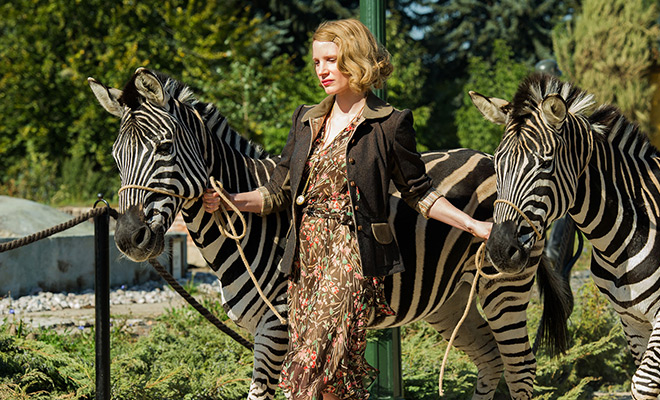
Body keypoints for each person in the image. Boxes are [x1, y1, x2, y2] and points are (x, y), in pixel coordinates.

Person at [203, 18, 493, 400]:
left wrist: (473, 225)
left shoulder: (390, 123)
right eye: (316, 62)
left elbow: (419, 193)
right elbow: (277, 192)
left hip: (353, 256)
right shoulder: (306, 119)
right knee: (335, 376)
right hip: (306, 261)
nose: (321, 70)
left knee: (313, 363)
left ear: (355, 59)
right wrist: (231, 200)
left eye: (331, 60)